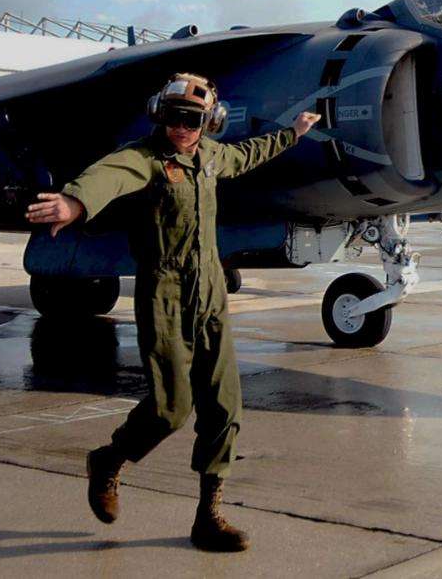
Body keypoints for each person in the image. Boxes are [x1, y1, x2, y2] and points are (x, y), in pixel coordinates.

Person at [26, 73, 320, 552]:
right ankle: (109, 459)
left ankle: (209, 517)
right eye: (173, 118)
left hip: (211, 292)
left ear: (210, 122)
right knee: (170, 408)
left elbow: (249, 153)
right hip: (164, 294)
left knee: (225, 407)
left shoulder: (212, 156)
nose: (181, 128)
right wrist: (74, 202)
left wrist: (294, 133)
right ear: (159, 116)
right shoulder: (147, 158)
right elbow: (111, 173)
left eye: (192, 120)